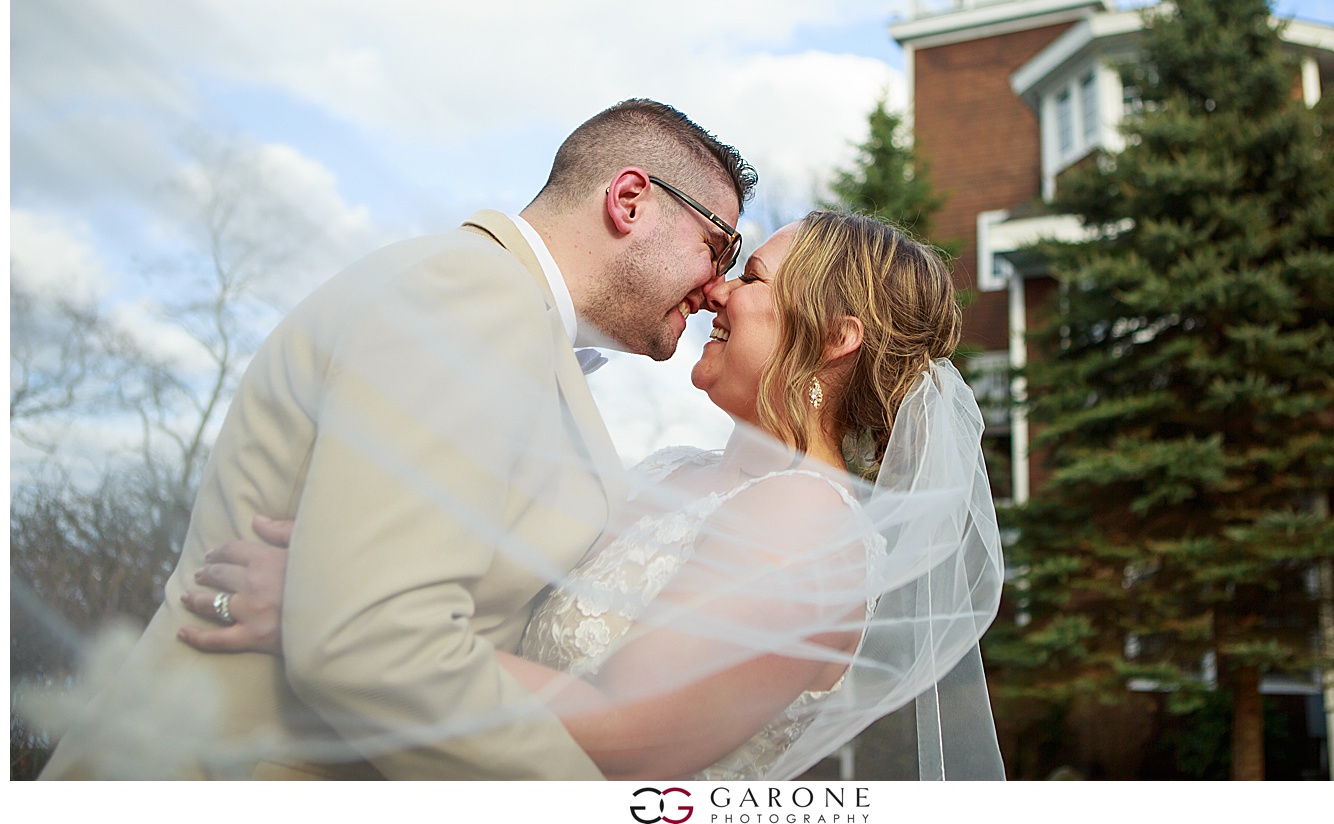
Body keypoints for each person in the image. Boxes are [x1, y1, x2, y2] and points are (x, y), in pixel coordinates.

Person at [38, 99, 758, 780]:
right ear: (629, 200)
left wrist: (325, 597)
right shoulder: (472, 297)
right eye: (717, 245)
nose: (717, 286)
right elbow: (372, 639)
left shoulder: (490, 304)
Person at [180, 211, 1006, 780]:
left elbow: (627, 735)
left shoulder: (806, 523)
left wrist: (338, 612)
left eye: (751, 278)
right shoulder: (670, 472)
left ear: (834, 337)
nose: (717, 292)